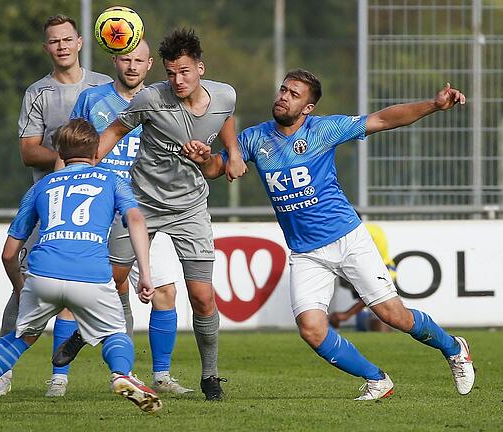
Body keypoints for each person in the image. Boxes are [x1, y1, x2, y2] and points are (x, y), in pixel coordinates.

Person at [182, 69, 475, 400]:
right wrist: (203, 160)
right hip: (306, 253)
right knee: (311, 329)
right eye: (282, 90)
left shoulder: (323, 130)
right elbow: (216, 169)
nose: (283, 97)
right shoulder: (254, 138)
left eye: (294, 94)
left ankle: (453, 348)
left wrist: (433, 105)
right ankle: (377, 380)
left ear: (308, 108)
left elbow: (382, 119)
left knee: (395, 316)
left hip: (347, 239)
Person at [0, 118, 162, 416]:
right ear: (96, 150)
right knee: (115, 334)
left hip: (43, 272)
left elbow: (9, 252)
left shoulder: (41, 186)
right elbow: (137, 220)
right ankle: (121, 375)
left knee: (18, 338)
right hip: (91, 275)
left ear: (59, 152)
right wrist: (145, 273)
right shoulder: (112, 180)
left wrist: (21, 286)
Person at [91, 28, 248, 401]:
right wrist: (88, 163)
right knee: (110, 282)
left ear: (200, 69)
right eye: (171, 72)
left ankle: (210, 376)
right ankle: (104, 347)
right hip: (140, 203)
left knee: (202, 297)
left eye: (185, 72)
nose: (177, 80)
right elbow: (114, 128)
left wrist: (233, 152)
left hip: (189, 207)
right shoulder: (149, 99)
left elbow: (225, 118)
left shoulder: (225, 94)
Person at [0, 14, 112, 398]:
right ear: (47, 48)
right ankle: (1, 372)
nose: (60, 45)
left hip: (96, 203)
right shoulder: (37, 93)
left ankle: (65, 377)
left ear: (79, 43)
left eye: (66, 39)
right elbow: (28, 151)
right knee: (25, 289)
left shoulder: (103, 87)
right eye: (53, 41)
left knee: (89, 287)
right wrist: (65, 161)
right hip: (51, 203)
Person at [62, 40, 192, 394]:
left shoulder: (161, 101)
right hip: (99, 208)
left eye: (139, 60)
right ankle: (60, 379)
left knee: (164, 290)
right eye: (125, 59)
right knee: (82, 293)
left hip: (146, 209)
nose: (132, 66)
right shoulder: (93, 99)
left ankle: (160, 377)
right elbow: (72, 146)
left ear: (149, 64)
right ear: (115, 61)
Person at [329, 221, 395, 332]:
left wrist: (346, 314)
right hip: (363, 267)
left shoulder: (355, 233)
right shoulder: (369, 229)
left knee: (380, 310)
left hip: (378, 270)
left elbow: (374, 295)